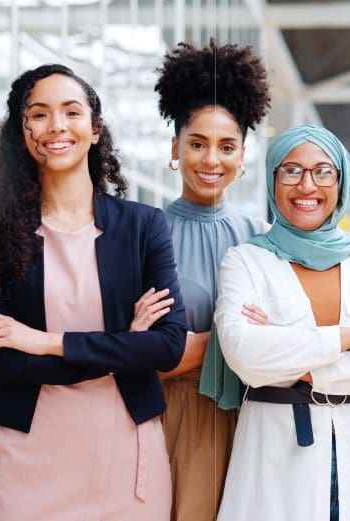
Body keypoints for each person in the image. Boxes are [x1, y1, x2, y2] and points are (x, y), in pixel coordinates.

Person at [0, 64, 188, 520]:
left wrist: (44, 341)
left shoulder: (143, 225)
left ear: (95, 129)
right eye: (39, 114)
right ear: (23, 131)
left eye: (71, 112)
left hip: (126, 448)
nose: (56, 126)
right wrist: (123, 343)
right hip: (28, 452)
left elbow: (166, 345)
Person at [213, 124, 350, 521]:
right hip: (277, 450)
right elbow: (245, 355)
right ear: (273, 180)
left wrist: (289, 355)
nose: (307, 185)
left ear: (340, 182)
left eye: (323, 172)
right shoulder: (245, 260)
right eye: (291, 171)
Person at [135, 39, 271, 521]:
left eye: (226, 146)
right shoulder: (143, 234)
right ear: (175, 148)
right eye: (197, 143)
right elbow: (131, 352)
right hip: (173, 414)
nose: (212, 160)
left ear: (242, 155)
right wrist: (233, 340)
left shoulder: (262, 239)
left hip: (257, 415)